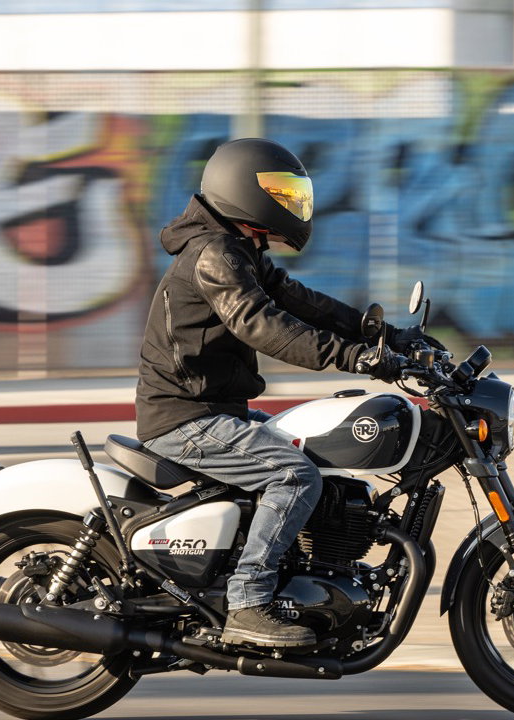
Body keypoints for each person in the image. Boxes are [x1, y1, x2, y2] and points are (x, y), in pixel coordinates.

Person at [135, 138, 436, 648]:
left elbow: (301, 302)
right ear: (242, 191)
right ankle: (249, 603)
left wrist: (378, 335)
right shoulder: (214, 254)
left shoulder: (238, 249)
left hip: (214, 409)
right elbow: (263, 325)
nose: (292, 203)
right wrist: (354, 359)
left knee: (312, 454)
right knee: (294, 475)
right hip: (186, 419)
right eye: (279, 192)